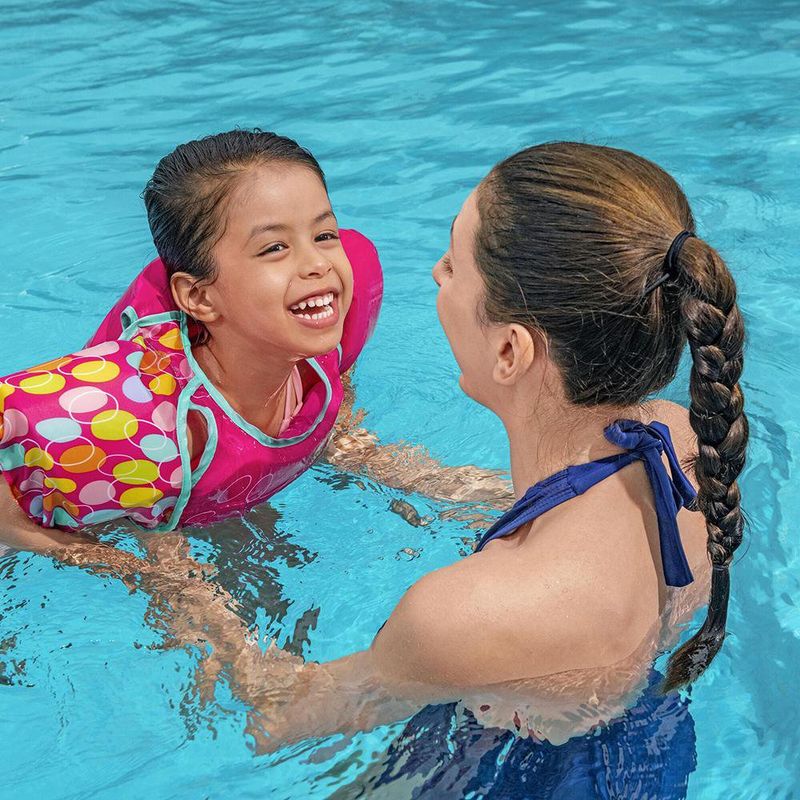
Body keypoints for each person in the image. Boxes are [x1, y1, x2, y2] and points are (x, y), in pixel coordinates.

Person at [184, 142, 746, 797]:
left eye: (454, 265)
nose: (435, 274)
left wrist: (169, 567)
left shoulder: (454, 617)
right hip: (646, 745)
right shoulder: (680, 444)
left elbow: (274, 717)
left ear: (510, 349)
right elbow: (557, 520)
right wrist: (372, 461)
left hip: (511, 776)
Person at [0, 130, 510, 583]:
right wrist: (110, 560)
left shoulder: (330, 309)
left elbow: (337, 404)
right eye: (273, 249)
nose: (318, 265)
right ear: (199, 297)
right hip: (113, 482)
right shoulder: (141, 419)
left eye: (324, 234)